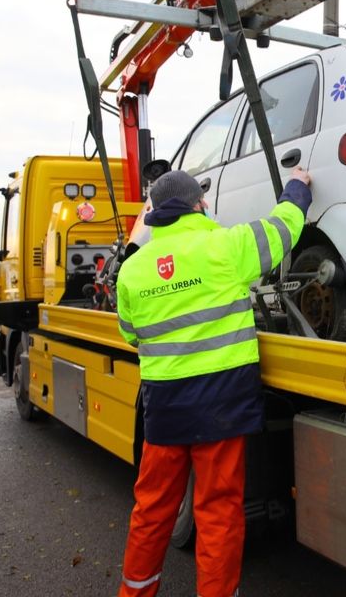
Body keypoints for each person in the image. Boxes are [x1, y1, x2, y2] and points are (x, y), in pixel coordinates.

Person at [115, 167, 312, 597]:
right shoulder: (226, 246)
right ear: (198, 205)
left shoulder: (132, 270)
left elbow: (130, 333)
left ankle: (134, 592)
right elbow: (284, 228)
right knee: (218, 513)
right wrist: (298, 186)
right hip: (222, 410)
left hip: (164, 413)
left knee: (151, 511)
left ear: (154, 214)